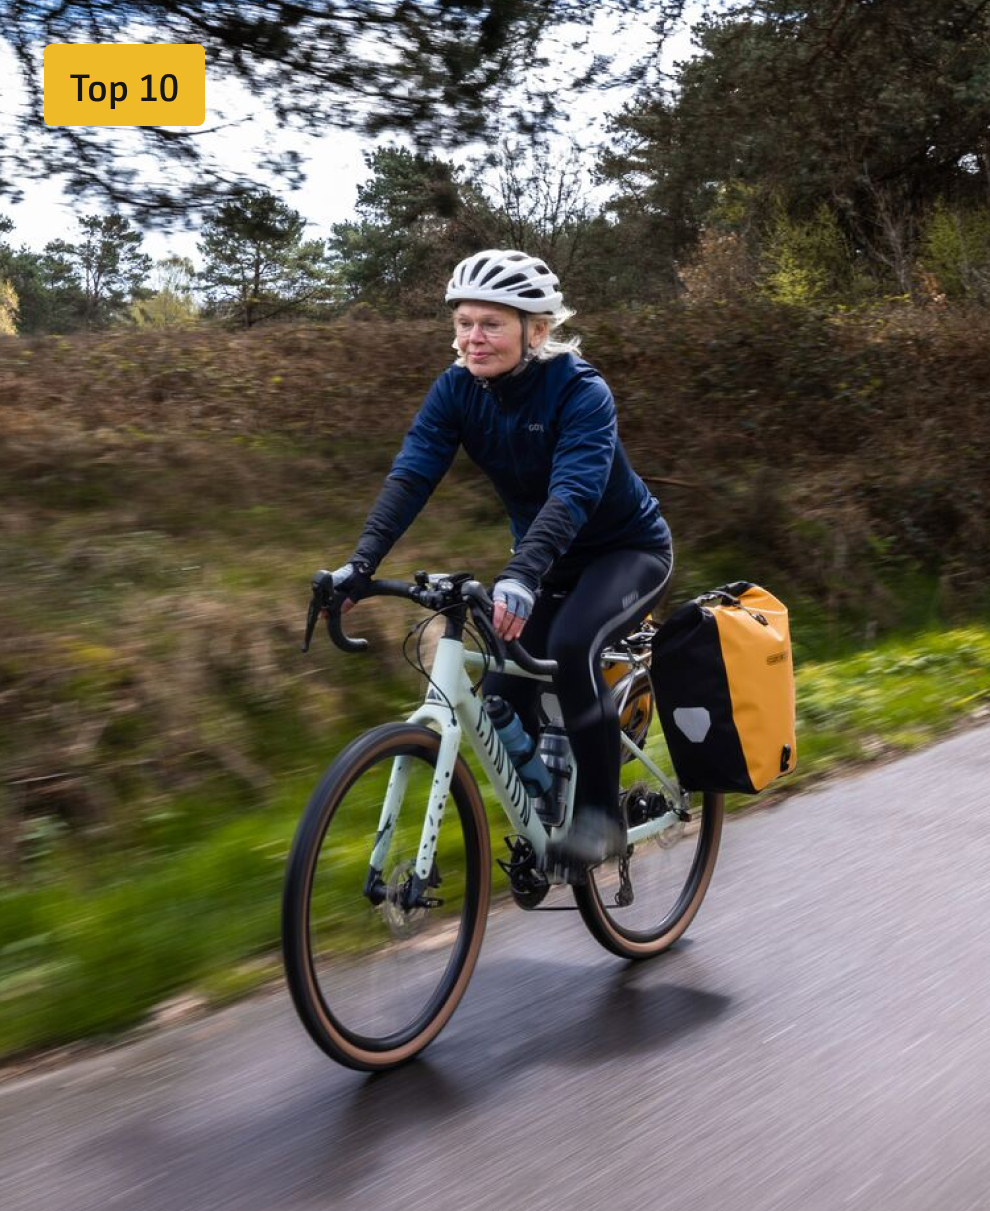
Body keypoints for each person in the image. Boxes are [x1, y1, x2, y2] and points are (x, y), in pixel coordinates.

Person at [326, 249, 673, 880]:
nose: (472, 338)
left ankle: (599, 818)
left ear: (536, 330)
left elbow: (574, 491)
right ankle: (547, 806)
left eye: (491, 323)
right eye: (463, 322)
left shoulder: (579, 389)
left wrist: (521, 573)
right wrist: (360, 563)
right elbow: (412, 475)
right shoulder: (457, 388)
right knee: (502, 691)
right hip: (544, 563)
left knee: (572, 650)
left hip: (627, 552)